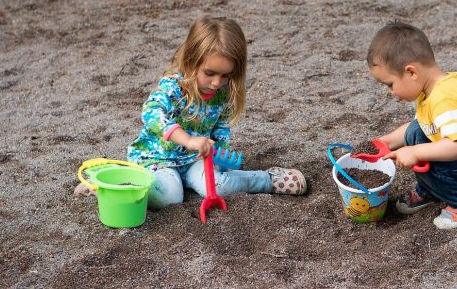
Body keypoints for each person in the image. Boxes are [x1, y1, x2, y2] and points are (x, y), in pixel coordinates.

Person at [75, 17, 306, 208]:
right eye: (210, 73)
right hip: (159, 159)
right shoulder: (174, 86)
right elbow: (151, 113)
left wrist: (217, 152)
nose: (217, 82)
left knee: (218, 187)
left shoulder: (224, 93)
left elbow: (221, 128)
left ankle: (269, 180)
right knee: (168, 197)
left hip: (195, 159)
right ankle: (109, 184)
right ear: (191, 61)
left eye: (226, 75)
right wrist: (187, 139)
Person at [365, 21, 457, 229]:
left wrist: (415, 152)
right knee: (417, 132)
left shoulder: (445, 98)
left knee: (422, 148)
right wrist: (385, 142)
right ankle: (432, 190)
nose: (391, 92)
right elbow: (417, 127)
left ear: (411, 72)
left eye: (390, 84)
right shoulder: (432, 90)